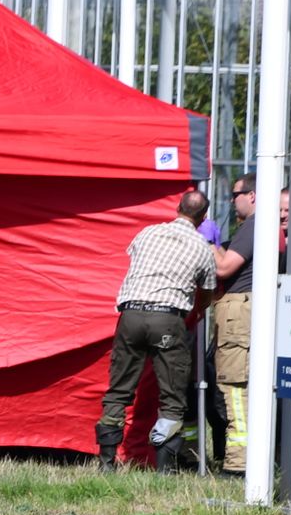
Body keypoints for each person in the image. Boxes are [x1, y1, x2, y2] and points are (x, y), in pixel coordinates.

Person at [96, 189, 218, 471]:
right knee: (172, 395)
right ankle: (164, 468)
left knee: (118, 390)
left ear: (177, 208)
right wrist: (196, 310)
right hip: (167, 319)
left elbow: (135, 262)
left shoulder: (147, 233)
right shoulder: (201, 246)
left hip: (130, 314)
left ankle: (106, 462)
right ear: (202, 218)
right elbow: (208, 291)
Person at [213, 174, 257, 474]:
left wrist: (207, 242)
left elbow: (223, 267)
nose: (232, 200)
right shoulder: (255, 228)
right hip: (241, 313)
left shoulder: (253, 226)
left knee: (234, 387)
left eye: (236, 194)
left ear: (252, 195)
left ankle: (237, 465)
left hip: (238, 316)